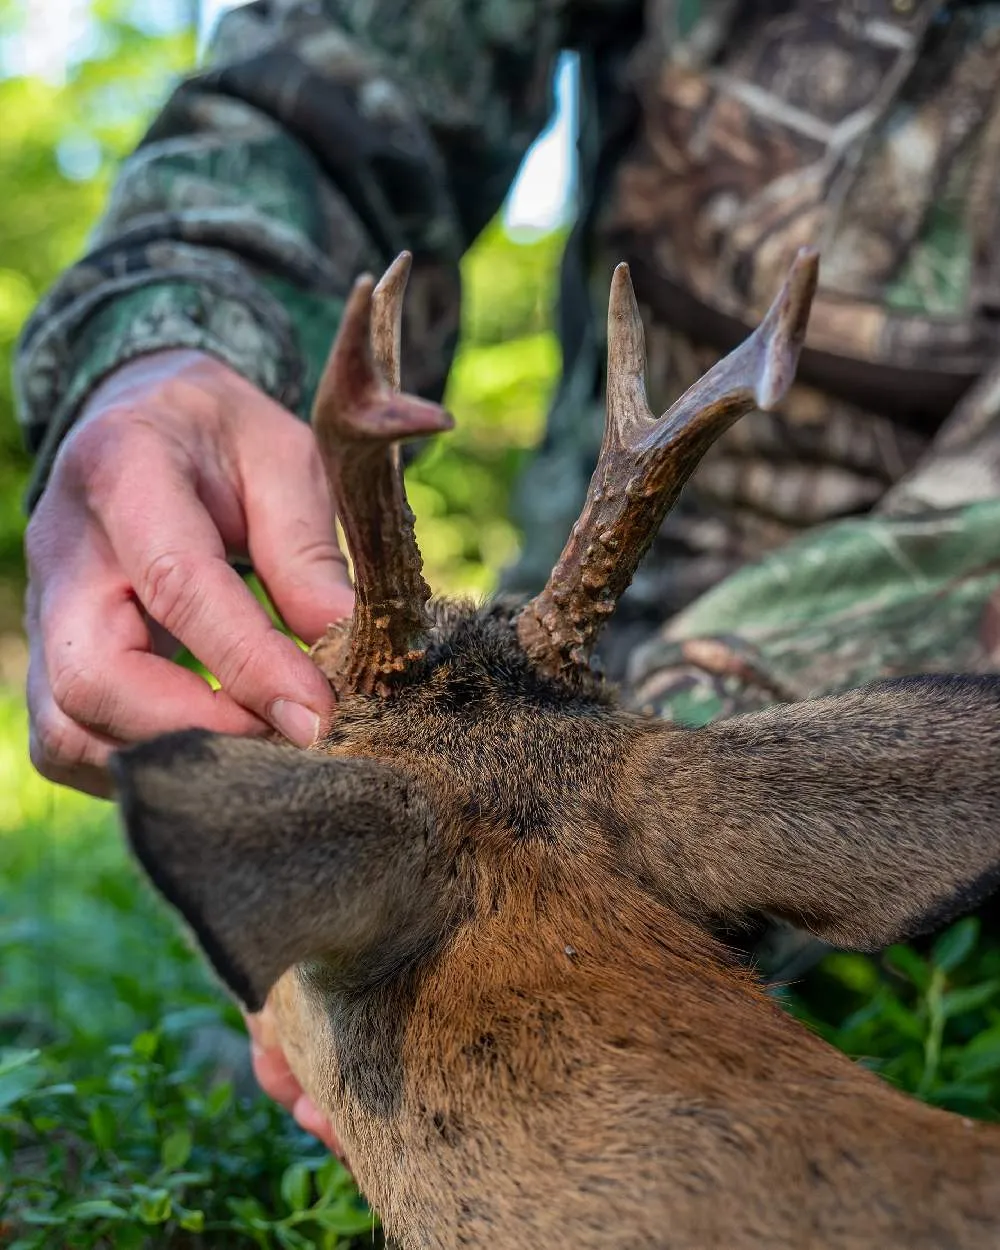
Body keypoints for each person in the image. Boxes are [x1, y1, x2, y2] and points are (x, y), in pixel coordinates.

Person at [17, 0, 1000, 1157]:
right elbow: (337, 80)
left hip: (854, 708)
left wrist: (654, 773)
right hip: (578, 646)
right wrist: (177, 344)